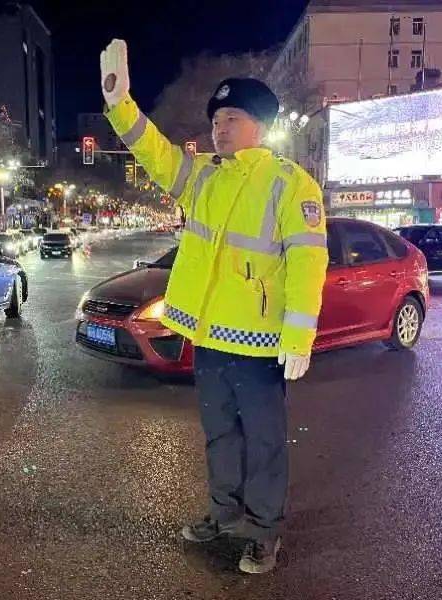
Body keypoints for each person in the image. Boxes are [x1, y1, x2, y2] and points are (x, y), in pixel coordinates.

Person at [100, 40, 328, 574]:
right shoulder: (202, 176)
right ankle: (224, 515)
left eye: (231, 119)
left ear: (260, 127)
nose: (219, 129)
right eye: (216, 120)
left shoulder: (289, 184)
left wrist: (298, 337)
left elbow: (308, 264)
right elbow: (155, 154)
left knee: (264, 442)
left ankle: (263, 531)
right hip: (209, 339)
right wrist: (119, 105)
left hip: (259, 343)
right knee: (220, 435)